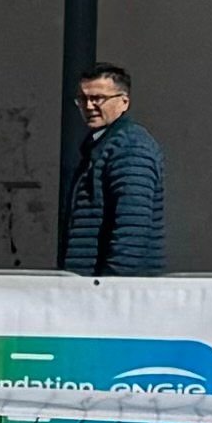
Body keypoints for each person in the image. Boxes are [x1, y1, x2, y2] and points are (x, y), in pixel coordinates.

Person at [64, 63, 167, 279]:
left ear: (124, 102)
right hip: (91, 287)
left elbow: (132, 228)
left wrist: (111, 288)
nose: (89, 106)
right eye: (83, 99)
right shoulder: (99, 146)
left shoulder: (131, 147)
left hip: (114, 294)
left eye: (98, 98)